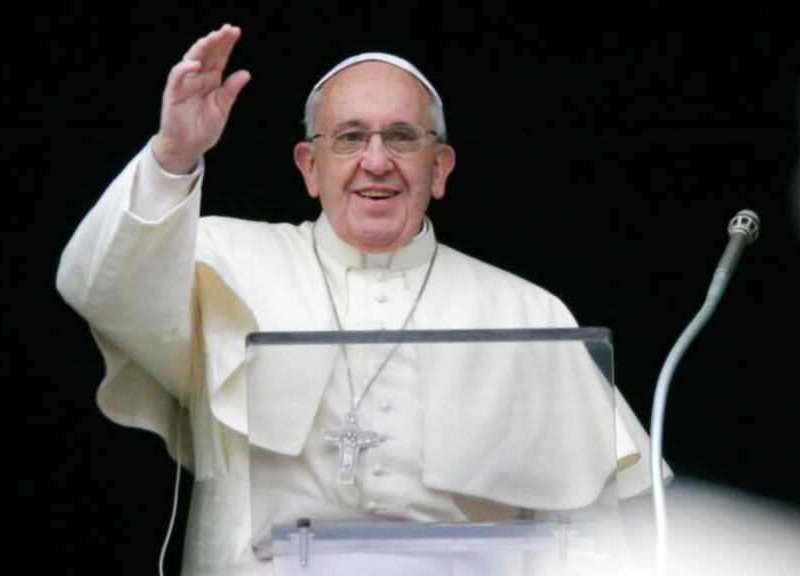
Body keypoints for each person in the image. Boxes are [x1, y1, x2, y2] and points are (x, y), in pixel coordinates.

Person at [57, 24, 655, 575]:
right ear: (310, 167)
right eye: (349, 138)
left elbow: (588, 531)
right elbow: (101, 288)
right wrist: (174, 156)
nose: (376, 161)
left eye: (401, 137)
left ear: (440, 169)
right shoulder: (219, 262)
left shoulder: (530, 314)